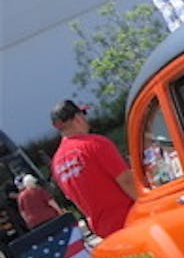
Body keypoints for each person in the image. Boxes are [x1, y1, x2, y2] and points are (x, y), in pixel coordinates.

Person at [49, 99, 136, 238]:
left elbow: (75, 200)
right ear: (77, 118)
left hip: (104, 231)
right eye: (83, 114)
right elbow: (127, 181)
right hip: (131, 220)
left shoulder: (56, 164)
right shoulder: (95, 144)